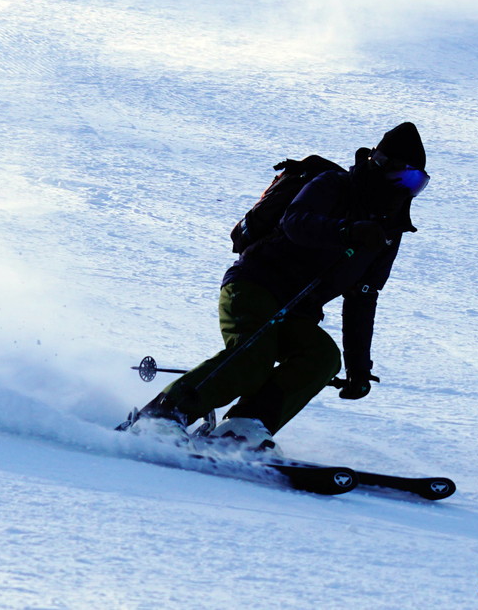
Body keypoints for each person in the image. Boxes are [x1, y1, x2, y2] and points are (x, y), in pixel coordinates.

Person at [130, 122, 430, 453]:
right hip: (254, 284)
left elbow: (362, 296)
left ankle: (244, 427)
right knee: (254, 356)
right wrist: (347, 231)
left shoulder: (389, 231)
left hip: (297, 310)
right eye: (409, 178)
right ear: (382, 165)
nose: (409, 190)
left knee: (322, 357)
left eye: (420, 183)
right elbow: (295, 222)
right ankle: (161, 417)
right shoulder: (333, 185)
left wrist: (359, 368)